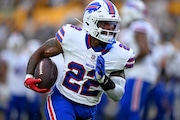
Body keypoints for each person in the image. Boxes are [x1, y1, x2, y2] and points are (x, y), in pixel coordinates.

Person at [24, 0, 135, 120]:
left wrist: (104, 81)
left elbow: (117, 95)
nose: (110, 28)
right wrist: (29, 76)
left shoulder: (119, 54)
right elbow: (42, 51)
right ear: (90, 22)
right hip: (62, 100)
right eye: (104, 23)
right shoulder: (71, 36)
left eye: (112, 24)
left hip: (88, 110)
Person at [116, 0, 160, 120]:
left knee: (132, 109)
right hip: (138, 73)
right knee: (125, 107)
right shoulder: (143, 26)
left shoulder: (138, 25)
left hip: (140, 73)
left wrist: (127, 63)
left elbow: (144, 50)